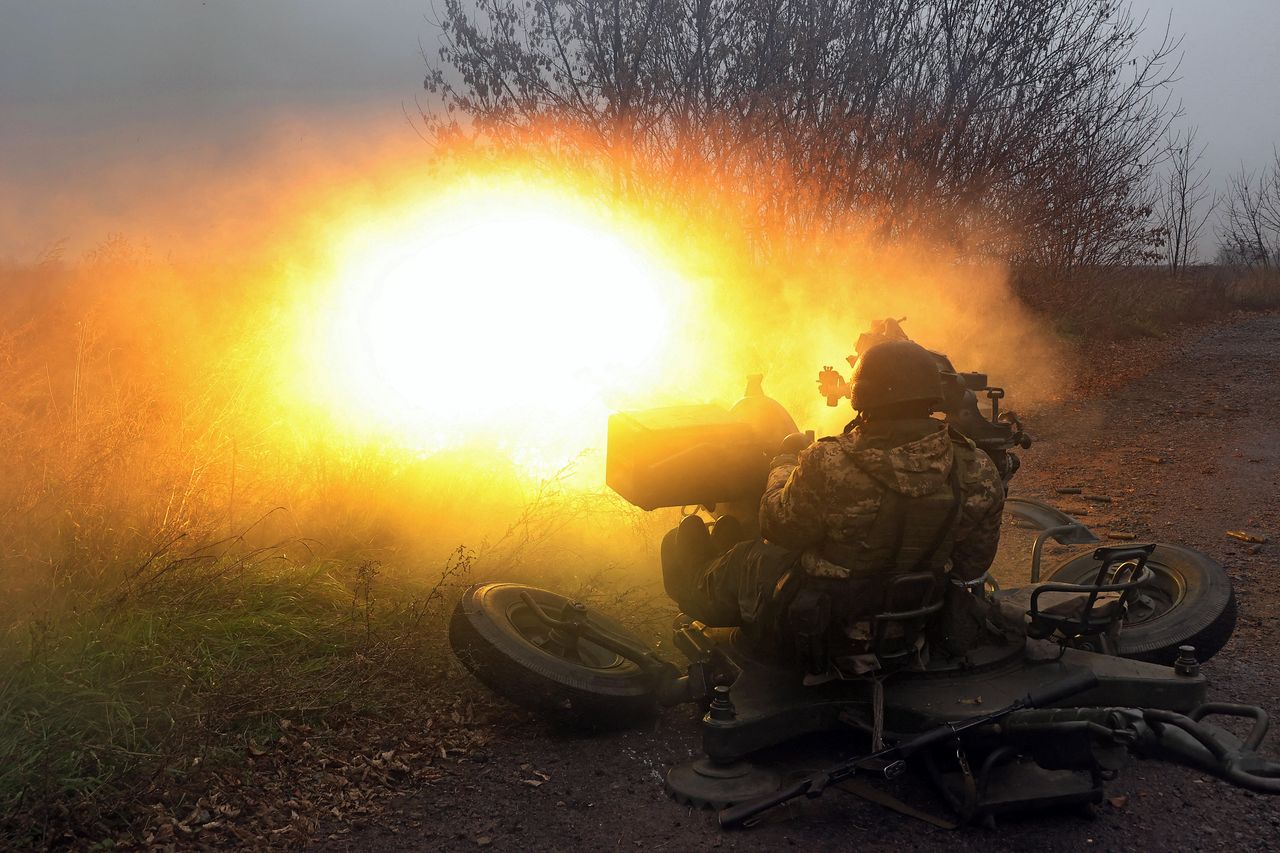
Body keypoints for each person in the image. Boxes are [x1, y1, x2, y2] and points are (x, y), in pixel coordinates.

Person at [664, 339, 1006, 674]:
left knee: (741, 557)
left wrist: (783, 464)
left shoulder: (828, 462)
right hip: (911, 625)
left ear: (861, 399)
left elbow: (777, 526)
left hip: (821, 627)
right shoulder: (976, 468)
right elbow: (972, 564)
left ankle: (696, 591)